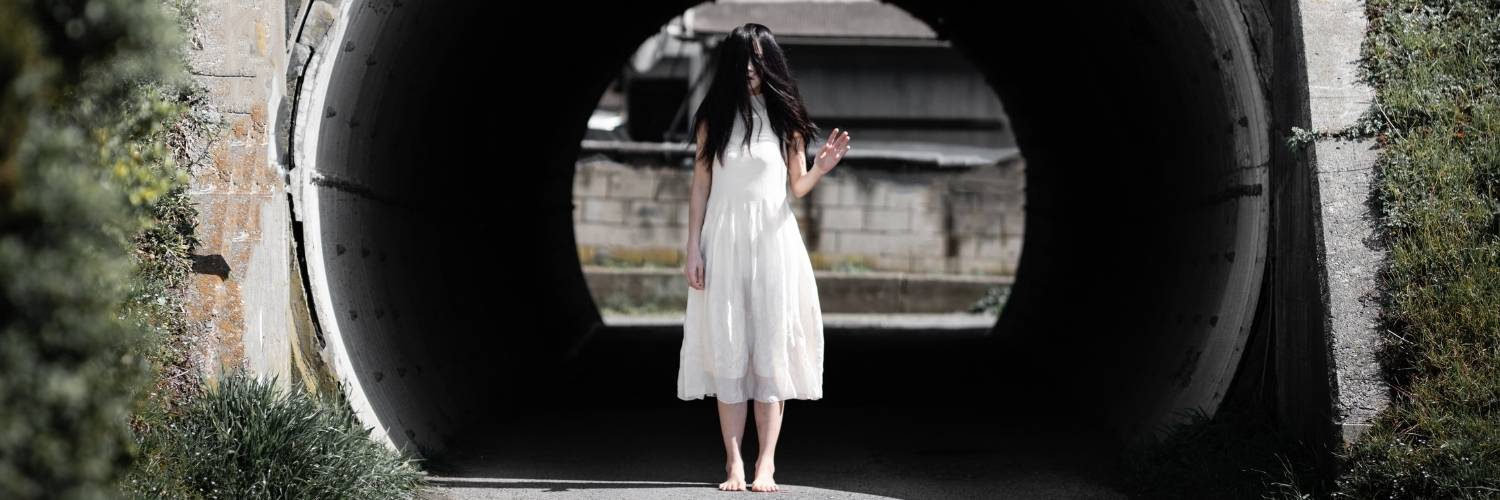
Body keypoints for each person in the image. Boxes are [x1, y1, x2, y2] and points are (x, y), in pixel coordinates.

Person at [676, 22, 851, 493]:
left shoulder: (785, 120)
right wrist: (693, 245)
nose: (750, 69)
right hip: (723, 241)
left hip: (774, 243)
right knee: (729, 349)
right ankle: (733, 464)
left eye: (758, 59)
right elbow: (700, 187)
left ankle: (765, 465)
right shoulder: (712, 117)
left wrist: (821, 168)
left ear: (769, 62)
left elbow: (795, 187)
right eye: (743, 60)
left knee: (770, 352)